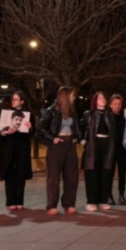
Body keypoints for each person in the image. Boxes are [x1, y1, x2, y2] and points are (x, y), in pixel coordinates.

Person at [38, 86, 80, 215]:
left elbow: (76, 127)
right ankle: (52, 206)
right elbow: (40, 127)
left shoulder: (72, 111)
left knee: (71, 176)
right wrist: (52, 139)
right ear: (65, 96)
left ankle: (69, 204)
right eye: (72, 95)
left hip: (70, 144)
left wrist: (76, 137)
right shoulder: (52, 111)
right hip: (57, 145)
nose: (74, 97)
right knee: (54, 177)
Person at [0, 91, 34, 211]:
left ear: (22, 101)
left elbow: (33, 134)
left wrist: (30, 128)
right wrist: (4, 132)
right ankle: (10, 201)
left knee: (20, 173)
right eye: (12, 99)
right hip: (8, 147)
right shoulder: (6, 114)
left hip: (22, 147)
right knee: (9, 173)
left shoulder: (29, 114)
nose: (13, 101)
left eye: (16, 99)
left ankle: (19, 201)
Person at [82, 91, 117, 212]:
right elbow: (82, 129)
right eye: (100, 97)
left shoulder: (109, 115)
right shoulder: (89, 114)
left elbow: (113, 132)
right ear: (95, 100)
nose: (103, 99)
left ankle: (103, 200)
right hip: (93, 146)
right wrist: (83, 140)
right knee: (92, 173)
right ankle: (91, 201)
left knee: (105, 173)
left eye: (103, 97)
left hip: (106, 146)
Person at [108, 94, 126, 205]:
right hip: (111, 150)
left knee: (122, 173)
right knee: (110, 173)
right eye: (115, 104)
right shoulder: (107, 117)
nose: (117, 106)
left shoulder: (124, 117)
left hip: (122, 149)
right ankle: (109, 195)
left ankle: (121, 195)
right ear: (110, 105)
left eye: (119, 104)